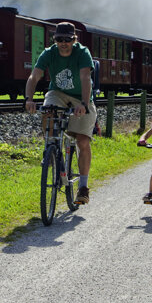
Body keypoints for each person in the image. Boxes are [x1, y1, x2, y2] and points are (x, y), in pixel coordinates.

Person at [25, 22, 97, 204]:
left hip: (81, 97)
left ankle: (83, 187)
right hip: (57, 93)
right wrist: (29, 99)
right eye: (59, 39)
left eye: (67, 39)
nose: (63, 43)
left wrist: (84, 103)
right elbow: (34, 76)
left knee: (82, 141)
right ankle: (50, 149)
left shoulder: (82, 52)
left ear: (74, 40)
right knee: (48, 111)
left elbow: (85, 77)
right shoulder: (49, 53)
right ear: (55, 40)